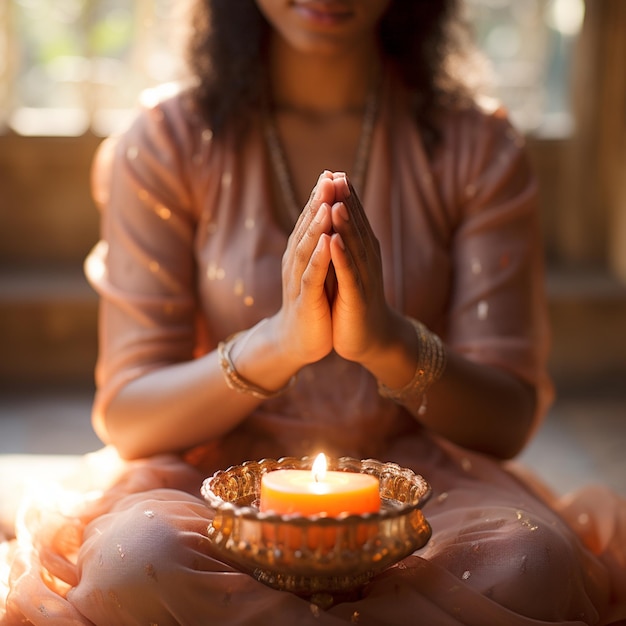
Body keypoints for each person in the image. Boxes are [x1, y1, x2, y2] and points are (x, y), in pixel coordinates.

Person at [1, 0, 625, 624]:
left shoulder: (477, 147)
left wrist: (387, 343)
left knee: (530, 562)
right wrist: (277, 344)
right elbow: (130, 416)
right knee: (135, 558)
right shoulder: (167, 140)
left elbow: (506, 420)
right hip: (209, 480)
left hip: (424, 485)